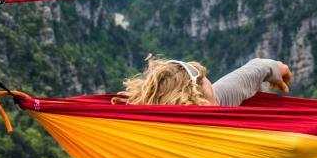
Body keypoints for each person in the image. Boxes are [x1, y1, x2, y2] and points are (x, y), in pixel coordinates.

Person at [117, 55, 293, 106]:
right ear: (195, 100)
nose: (216, 99)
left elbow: (243, 78)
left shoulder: (212, 104)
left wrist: (272, 67)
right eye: (210, 95)